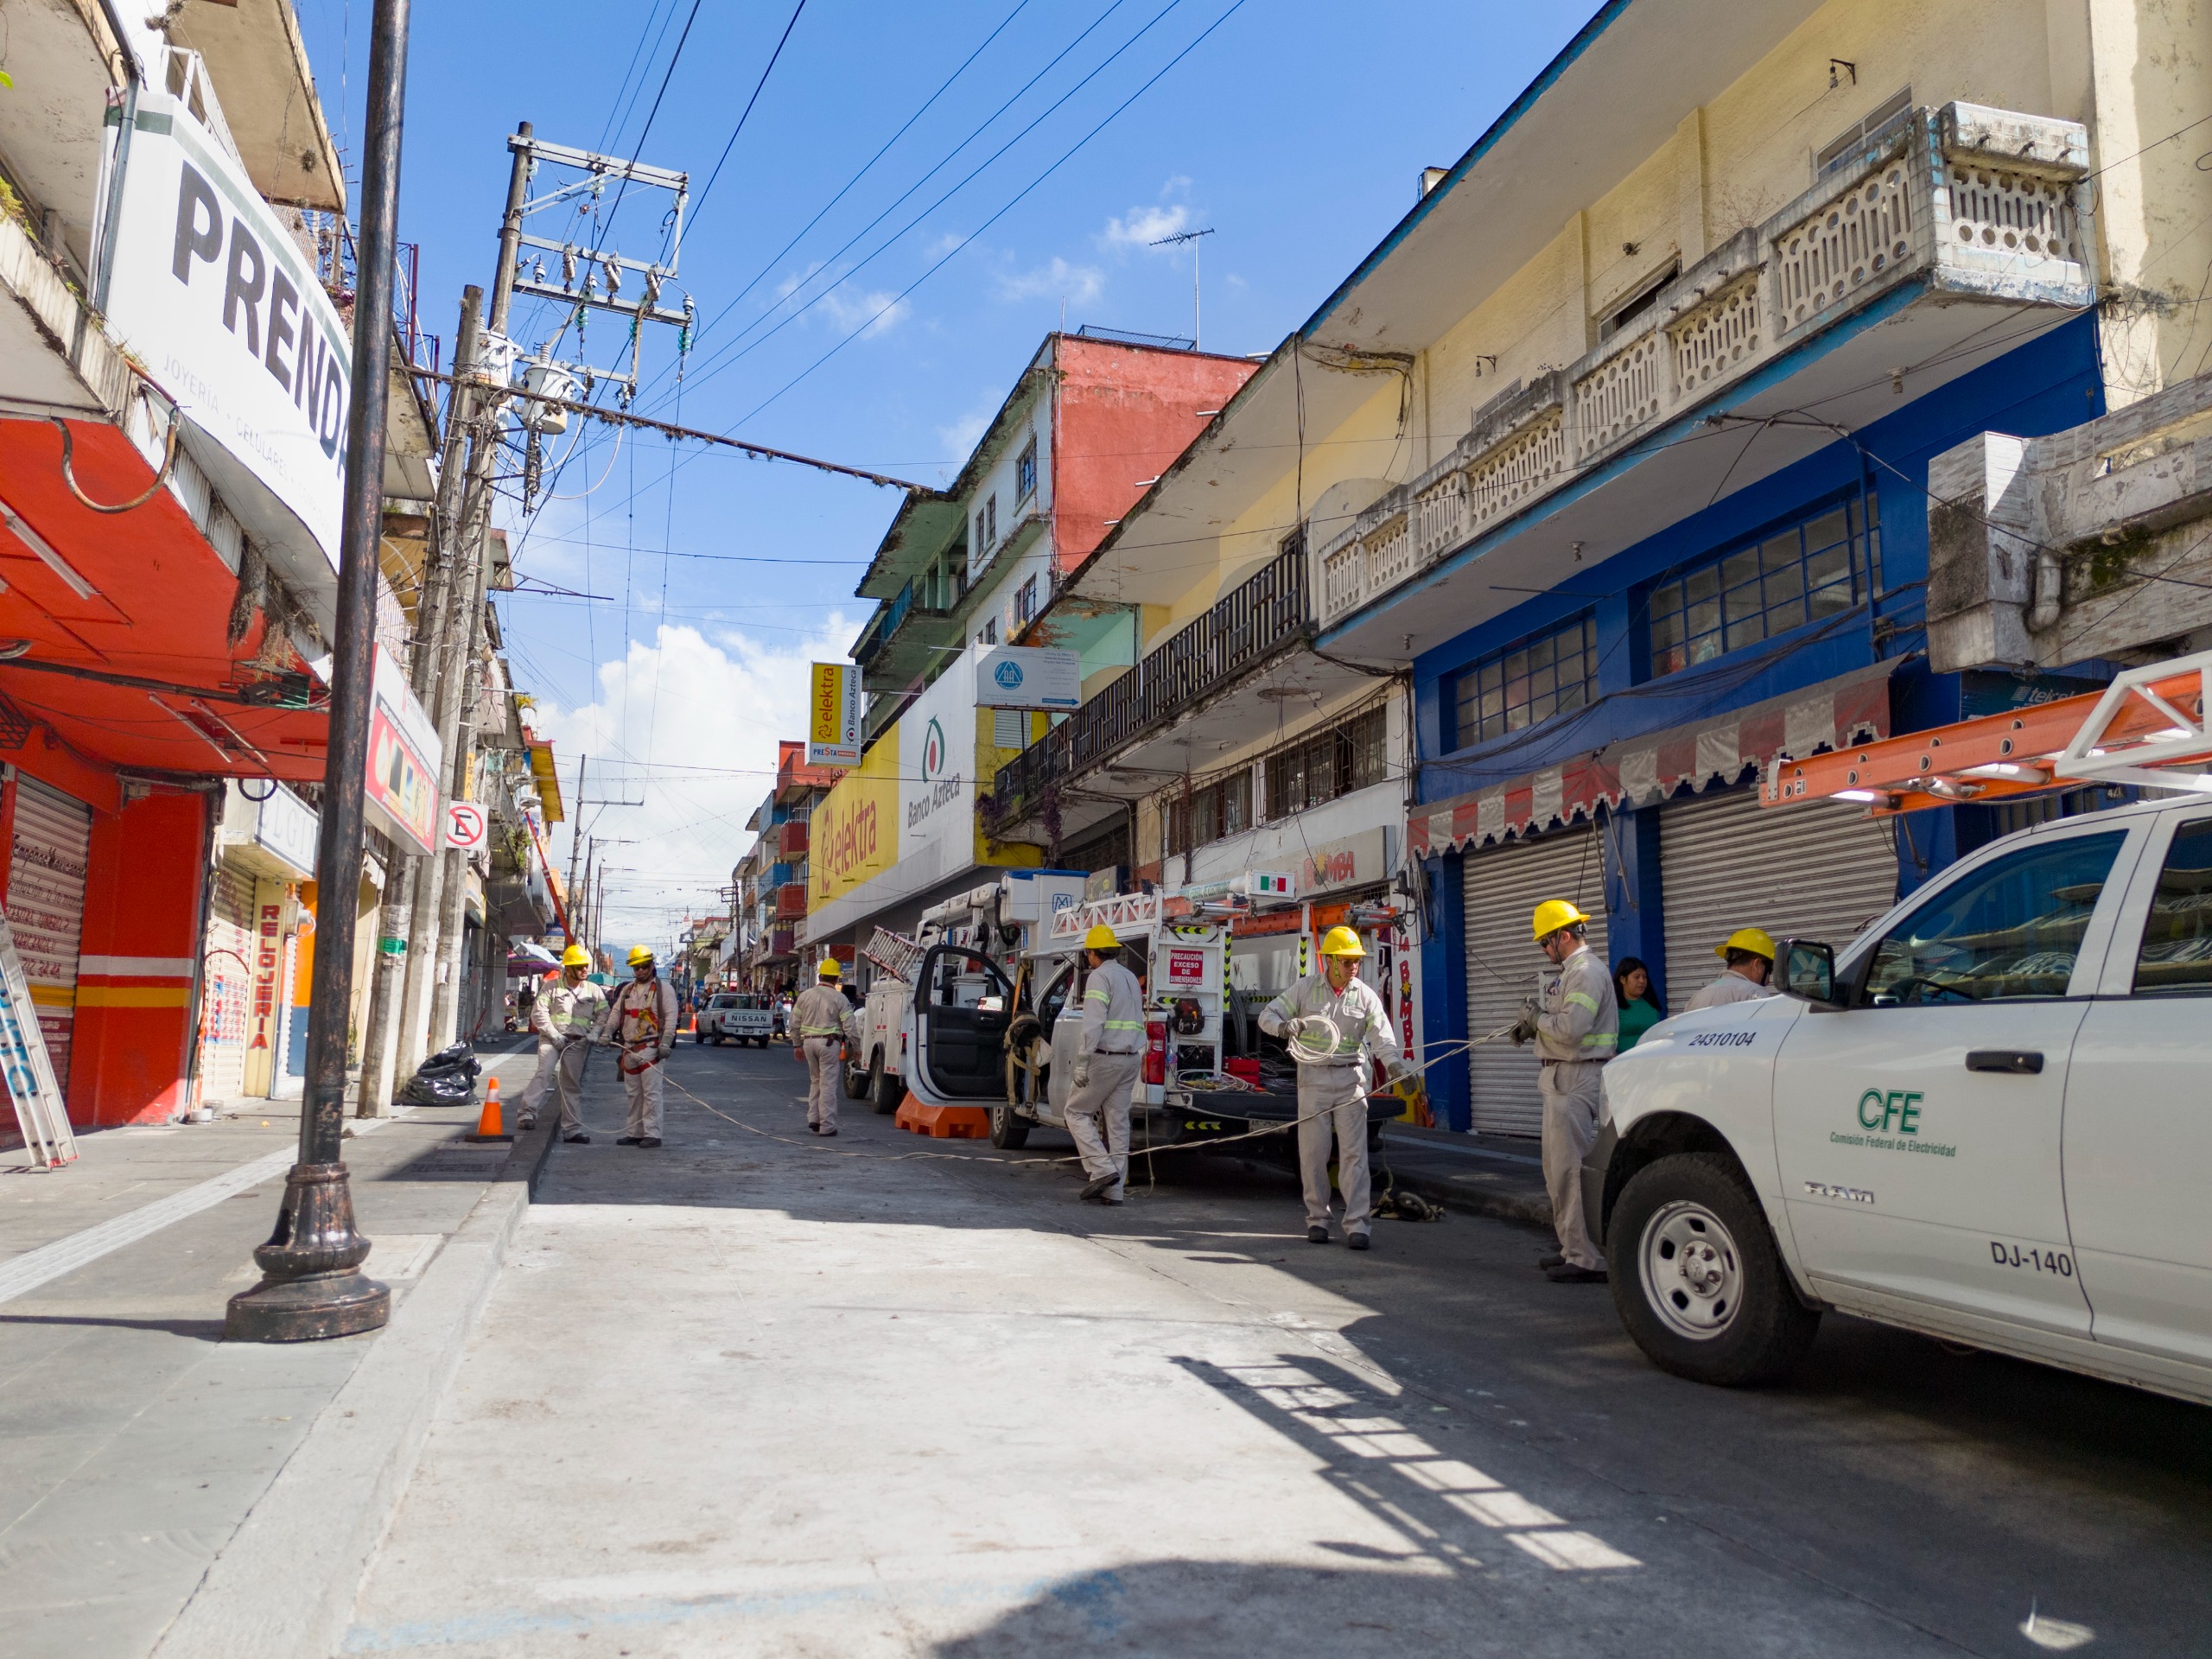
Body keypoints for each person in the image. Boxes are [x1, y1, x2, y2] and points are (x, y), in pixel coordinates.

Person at [1259, 926, 1408, 1251]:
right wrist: (1285, 1027)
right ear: (1329, 960)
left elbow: (1382, 1038)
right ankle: (1317, 1220)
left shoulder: (1365, 995)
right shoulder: (1305, 989)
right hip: (1312, 1078)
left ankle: (1357, 1225)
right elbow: (1267, 1016)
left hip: (1350, 1080)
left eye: (1356, 960)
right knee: (1314, 1153)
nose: (1353, 966)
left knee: (1354, 1156)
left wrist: (1395, 1065)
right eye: (1347, 960)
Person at [1514, 900, 1618, 1283]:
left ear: (1563, 936)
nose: (1544, 949)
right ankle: (1572, 1248)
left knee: (1569, 1170)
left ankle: (1587, 1258)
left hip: (1575, 1078)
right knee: (1557, 1169)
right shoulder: (1573, 972)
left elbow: (1573, 1028)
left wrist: (1536, 1019)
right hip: (1564, 1078)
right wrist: (1536, 1026)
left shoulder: (1587, 972)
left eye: (1545, 942)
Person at [1066, 925, 1145, 1205]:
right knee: (1118, 1124)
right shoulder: (1130, 977)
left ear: (1092, 953)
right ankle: (1115, 1191)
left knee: (1075, 1112)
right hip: (1130, 1060)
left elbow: (1093, 1023)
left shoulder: (1098, 978)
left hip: (1105, 1058)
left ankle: (1102, 1170)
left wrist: (1082, 1062)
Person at [516, 944, 605, 1144]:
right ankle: (526, 1114)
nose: (584, 970)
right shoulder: (552, 987)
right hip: (551, 1039)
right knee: (544, 1073)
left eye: (585, 966)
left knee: (571, 1085)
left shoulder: (594, 990)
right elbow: (538, 1013)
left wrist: (596, 1032)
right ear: (568, 969)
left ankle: (572, 1129)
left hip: (577, 1043)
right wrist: (554, 1035)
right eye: (580, 966)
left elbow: (604, 1014)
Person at [594, 945, 678, 1147]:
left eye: (644, 966)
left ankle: (652, 1134)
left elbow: (671, 1018)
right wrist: (606, 1032)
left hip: (651, 1049)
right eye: (636, 967)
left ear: (651, 965)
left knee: (651, 1094)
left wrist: (666, 1042)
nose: (640, 970)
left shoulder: (663, 989)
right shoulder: (627, 990)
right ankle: (635, 1132)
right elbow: (615, 1014)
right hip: (629, 1050)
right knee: (634, 1095)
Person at [791, 959, 852, 1136]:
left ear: (820, 976)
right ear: (836, 979)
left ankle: (814, 1118)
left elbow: (794, 1022)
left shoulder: (805, 995)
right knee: (828, 1084)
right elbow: (849, 1026)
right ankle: (827, 1126)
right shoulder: (840, 998)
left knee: (816, 1080)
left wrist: (796, 1044)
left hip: (809, 1043)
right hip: (829, 1043)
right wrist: (856, 1046)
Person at [1688, 927, 1777, 1010]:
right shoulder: (1755, 994)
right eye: (1769, 971)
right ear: (1757, 965)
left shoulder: (1696, 998)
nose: (1768, 980)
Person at [1613, 957, 1664, 1052]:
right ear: (1623, 979)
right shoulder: (1613, 1006)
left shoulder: (1651, 1005)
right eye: (1636, 977)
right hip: (1622, 1063)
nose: (1642, 981)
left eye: (1644, 977)